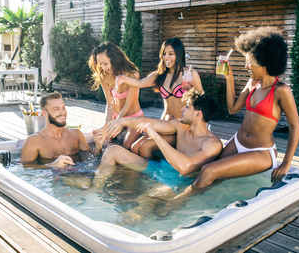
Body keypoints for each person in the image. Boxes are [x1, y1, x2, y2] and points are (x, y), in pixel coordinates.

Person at [179, 27, 299, 199]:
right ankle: (196, 198)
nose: (246, 66)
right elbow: (233, 108)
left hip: (261, 151)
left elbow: (295, 127)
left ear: (264, 61)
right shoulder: (253, 83)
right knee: (208, 167)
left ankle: (178, 202)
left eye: (250, 61)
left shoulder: (281, 90)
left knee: (209, 170)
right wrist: (229, 78)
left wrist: (286, 164)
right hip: (237, 141)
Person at [92, 90, 222, 224]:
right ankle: (93, 192)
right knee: (112, 151)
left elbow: (185, 167)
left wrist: (156, 137)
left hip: (177, 180)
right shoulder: (180, 126)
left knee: (147, 199)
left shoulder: (212, 144)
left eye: (187, 106)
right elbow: (149, 122)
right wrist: (122, 121)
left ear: (198, 114)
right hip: (160, 166)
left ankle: (119, 227)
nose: (182, 109)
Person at [115, 37, 203, 157]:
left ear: (179, 54)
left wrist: (192, 92)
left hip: (180, 126)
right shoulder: (160, 75)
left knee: (145, 146)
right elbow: (140, 83)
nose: (166, 57)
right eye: (164, 54)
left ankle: (152, 174)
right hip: (163, 123)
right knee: (135, 147)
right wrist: (123, 79)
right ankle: (145, 172)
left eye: (170, 54)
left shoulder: (190, 75)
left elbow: (203, 100)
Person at [20, 92, 104, 168]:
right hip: (54, 178)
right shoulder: (34, 141)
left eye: (63, 108)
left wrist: (98, 145)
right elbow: (24, 167)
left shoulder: (75, 134)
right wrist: (51, 165)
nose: (62, 112)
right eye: (56, 109)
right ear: (45, 113)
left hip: (78, 173)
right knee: (84, 183)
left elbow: (92, 157)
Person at [88, 42, 144, 149]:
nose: (103, 67)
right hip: (116, 116)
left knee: (127, 145)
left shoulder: (132, 75)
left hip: (134, 117)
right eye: (100, 64)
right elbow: (110, 104)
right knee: (103, 142)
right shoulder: (105, 77)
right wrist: (106, 124)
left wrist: (117, 122)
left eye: (105, 63)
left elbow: (128, 104)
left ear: (114, 60)